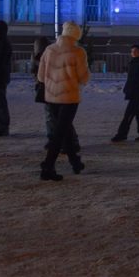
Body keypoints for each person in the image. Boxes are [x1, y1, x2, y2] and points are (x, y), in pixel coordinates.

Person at [37, 21, 90, 181]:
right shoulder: (78, 52)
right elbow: (83, 77)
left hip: (51, 96)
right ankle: (48, 165)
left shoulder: (49, 50)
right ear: (76, 35)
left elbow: (40, 76)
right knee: (60, 133)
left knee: (63, 130)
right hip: (68, 97)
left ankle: (75, 162)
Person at [112, 43, 139, 142]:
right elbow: (131, 78)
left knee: (128, 114)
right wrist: (127, 88)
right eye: (132, 51)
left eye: (135, 51)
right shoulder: (133, 62)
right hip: (133, 91)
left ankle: (122, 134)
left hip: (137, 92)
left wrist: (137, 89)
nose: (133, 53)